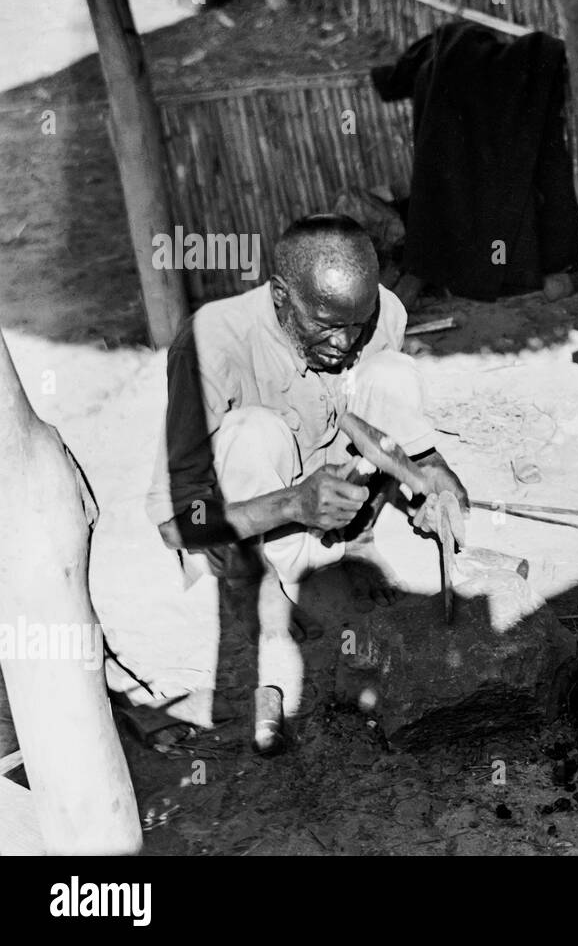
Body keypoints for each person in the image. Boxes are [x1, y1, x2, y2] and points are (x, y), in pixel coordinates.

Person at [145, 214, 469, 752]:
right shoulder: (210, 344)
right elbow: (176, 523)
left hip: (338, 495)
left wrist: (430, 476)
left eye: (357, 323)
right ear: (279, 296)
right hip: (259, 510)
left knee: (392, 374)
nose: (344, 342)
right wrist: (296, 501)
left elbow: (376, 418)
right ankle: (257, 585)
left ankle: (358, 542)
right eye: (325, 324)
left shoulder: (379, 313)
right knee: (252, 431)